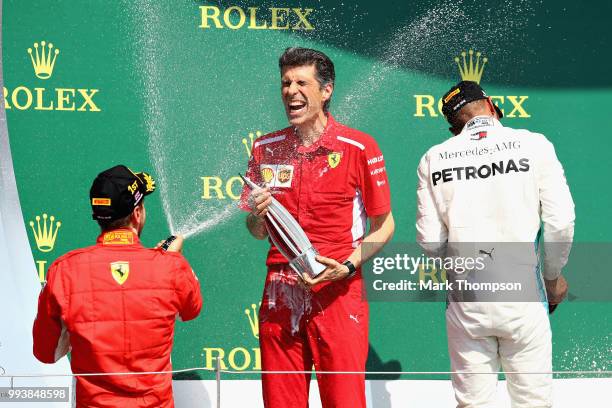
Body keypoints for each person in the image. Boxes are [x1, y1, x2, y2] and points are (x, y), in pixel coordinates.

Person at [240, 47, 395, 408]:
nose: (290, 91)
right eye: (285, 83)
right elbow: (256, 230)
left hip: (339, 290)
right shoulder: (266, 148)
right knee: (281, 403)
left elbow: (385, 226)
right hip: (280, 290)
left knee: (343, 402)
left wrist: (347, 267)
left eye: (301, 82)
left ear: (325, 91)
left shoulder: (358, 146)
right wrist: (258, 215)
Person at [416, 81, 575, 407]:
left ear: (452, 127)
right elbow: (561, 223)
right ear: (491, 105)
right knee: (533, 402)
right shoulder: (534, 144)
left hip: (467, 302)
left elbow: (430, 242)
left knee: (473, 404)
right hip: (524, 298)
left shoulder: (434, 157)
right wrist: (552, 278)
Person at [33, 165, 202, 408]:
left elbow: (45, 353)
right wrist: (174, 258)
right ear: (138, 213)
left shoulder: (64, 271)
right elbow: (192, 309)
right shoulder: (170, 267)